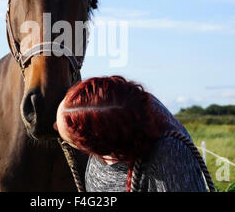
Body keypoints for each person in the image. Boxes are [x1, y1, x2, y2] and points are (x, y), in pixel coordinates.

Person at [53, 75, 209, 192]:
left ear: (97, 142)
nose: (54, 126)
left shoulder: (169, 157)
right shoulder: (112, 113)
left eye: (73, 143)